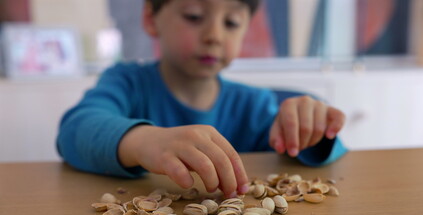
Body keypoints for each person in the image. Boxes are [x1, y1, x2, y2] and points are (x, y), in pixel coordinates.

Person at [56, 0, 347, 199]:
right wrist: (144, 141)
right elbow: (74, 129)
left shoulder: (255, 105)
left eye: (231, 22)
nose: (214, 35)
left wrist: (312, 132)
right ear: (150, 18)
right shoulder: (126, 83)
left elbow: (334, 154)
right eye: (194, 16)